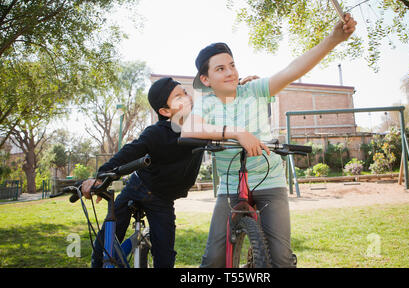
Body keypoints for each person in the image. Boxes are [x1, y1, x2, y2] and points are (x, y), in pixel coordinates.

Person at [181, 13, 357, 267]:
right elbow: (189, 130)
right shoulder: (206, 103)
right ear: (206, 80)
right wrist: (236, 133)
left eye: (232, 65)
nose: (230, 72)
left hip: (269, 178)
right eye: (220, 68)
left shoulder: (253, 90)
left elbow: (291, 70)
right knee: (213, 261)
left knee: (281, 260)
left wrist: (332, 40)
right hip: (231, 185)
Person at [81, 77, 203, 268]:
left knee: (165, 256)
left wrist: (239, 86)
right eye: (178, 97)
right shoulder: (157, 132)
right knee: (104, 246)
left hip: (163, 199)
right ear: (165, 111)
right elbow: (129, 152)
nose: (187, 98)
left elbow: (219, 97)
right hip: (138, 187)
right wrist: (100, 176)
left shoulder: (202, 129)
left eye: (185, 92)